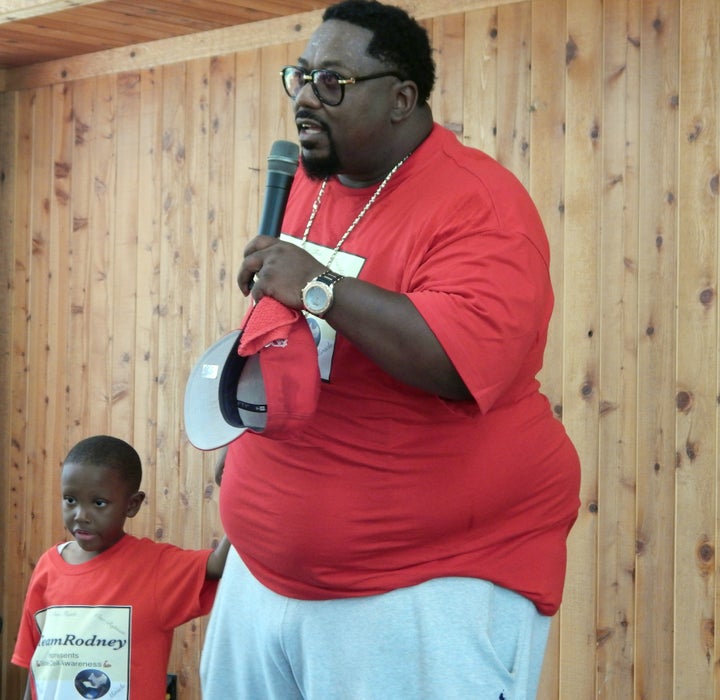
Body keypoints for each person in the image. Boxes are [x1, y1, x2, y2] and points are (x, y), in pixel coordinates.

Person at [200, 1, 581, 698]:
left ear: (402, 97)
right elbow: (288, 341)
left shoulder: (479, 205)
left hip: (422, 582)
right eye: (301, 76)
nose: (307, 97)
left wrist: (319, 287)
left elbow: (454, 364)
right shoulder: (306, 185)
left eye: (334, 82)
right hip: (265, 575)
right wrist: (243, 469)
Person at [12, 435, 230, 700]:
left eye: (99, 503)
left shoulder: (156, 567)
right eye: (70, 500)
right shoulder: (48, 566)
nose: (80, 514)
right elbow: (36, 664)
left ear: (132, 504)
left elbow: (220, 563)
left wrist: (245, 475)